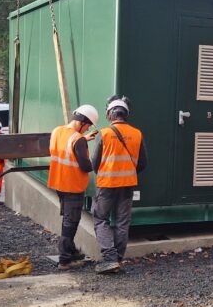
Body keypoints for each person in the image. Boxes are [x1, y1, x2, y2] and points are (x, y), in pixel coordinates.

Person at [91, 95, 147, 274]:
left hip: (107, 184)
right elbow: (143, 163)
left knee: (100, 219)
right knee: (122, 222)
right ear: (126, 114)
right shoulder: (137, 134)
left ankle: (110, 258)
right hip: (128, 184)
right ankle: (118, 259)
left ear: (110, 115)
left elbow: (94, 163)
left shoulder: (105, 133)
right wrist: (128, 172)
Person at [47, 105, 99, 271]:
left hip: (58, 182)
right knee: (71, 222)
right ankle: (64, 259)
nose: (88, 129)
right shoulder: (78, 140)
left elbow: (64, 149)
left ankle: (71, 250)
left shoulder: (57, 131)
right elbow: (85, 166)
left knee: (68, 218)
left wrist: (84, 139)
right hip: (73, 186)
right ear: (83, 122)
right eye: (88, 125)